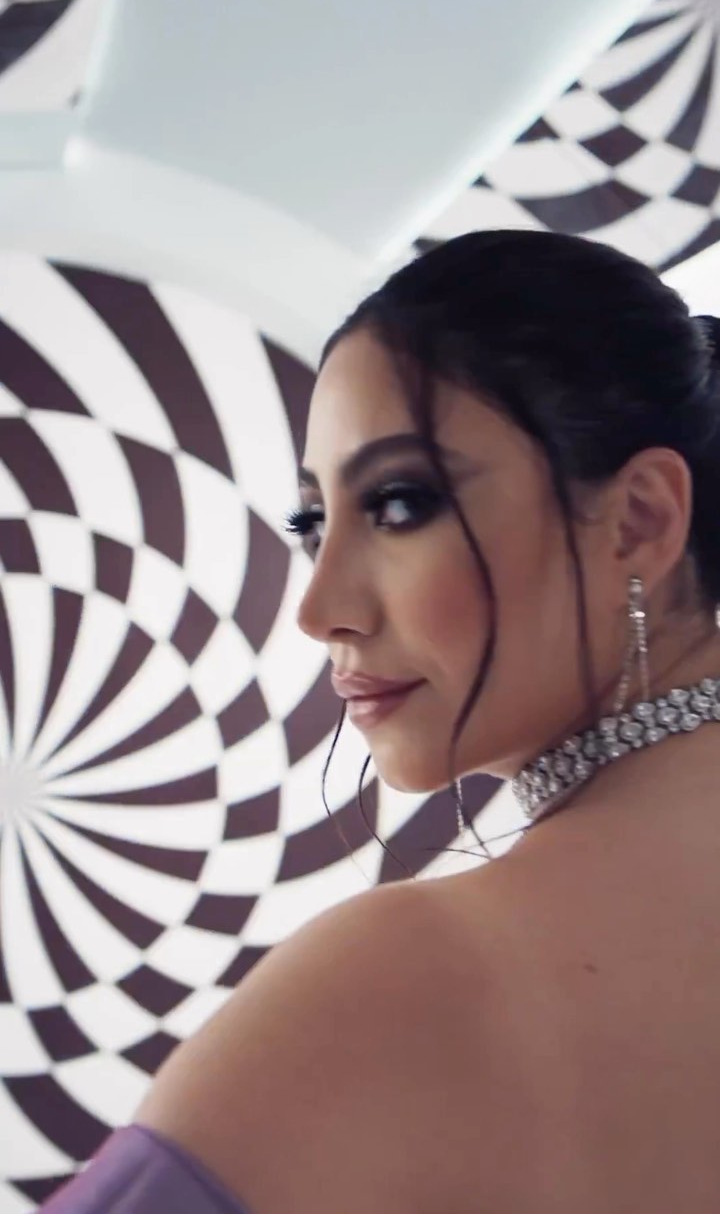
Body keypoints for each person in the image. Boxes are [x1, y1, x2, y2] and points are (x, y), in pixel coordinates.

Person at [41, 230, 720, 1212]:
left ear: (639, 519)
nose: (320, 609)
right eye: (312, 525)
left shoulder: (407, 982)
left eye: (401, 504)